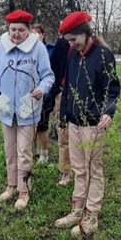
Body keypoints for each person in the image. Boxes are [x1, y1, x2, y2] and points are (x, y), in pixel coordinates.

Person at [54, 11, 121, 236]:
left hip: (93, 124)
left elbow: (112, 88)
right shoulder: (73, 55)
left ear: (85, 33)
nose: (72, 45)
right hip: (74, 122)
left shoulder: (104, 55)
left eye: (74, 40)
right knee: (78, 168)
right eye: (69, 41)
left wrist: (108, 111)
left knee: (93, 169)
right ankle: (77, 208)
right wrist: (63, 115)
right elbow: (68, 87)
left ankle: (91, 215)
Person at [0, 10, 54, 210]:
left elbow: (48, 76)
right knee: (10, 150)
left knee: (24, 150)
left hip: (28, 109)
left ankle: (24, 188)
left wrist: (41, 89)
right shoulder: (1, 48)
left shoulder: (38, 48)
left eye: (20, 30)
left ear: (28, 30)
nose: (16, 34)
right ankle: (11, 185)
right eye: (13, 30)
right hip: (7, 109)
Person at [30, 23, 55, 164]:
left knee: (42, 125)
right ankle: (33, 149)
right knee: (30, 124)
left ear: (42, 35)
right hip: (30, 94)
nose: (35, 36)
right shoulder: (27, 50)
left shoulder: (51, 49)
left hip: (45, 94)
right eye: (31, 34)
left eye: (37, 33)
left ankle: (44, 153)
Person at [49, 36, 72, 185]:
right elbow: (52, 66)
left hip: (83, 95)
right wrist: (57, 88)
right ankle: (65, 172)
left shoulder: (93, 46)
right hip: (63, 93)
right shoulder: (62, 44)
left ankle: (84, 171)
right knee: (63, 134)